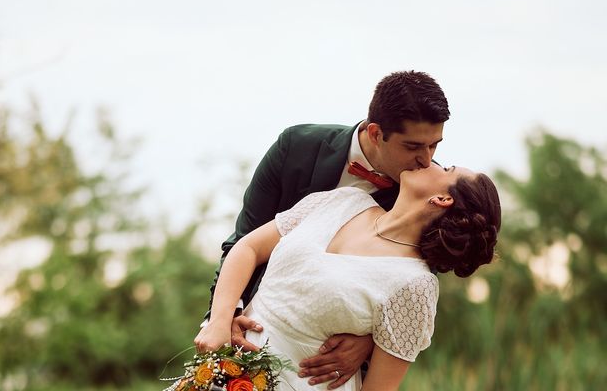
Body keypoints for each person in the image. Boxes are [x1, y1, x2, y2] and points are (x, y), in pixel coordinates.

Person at [204, 70, 450, 388]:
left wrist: (370, 341)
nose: (426, 160)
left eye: (435, 146)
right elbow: (243, 242)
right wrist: (223, 318)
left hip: (325, 372)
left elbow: (409, 296)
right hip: (249, 334)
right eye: (413, 146)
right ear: (376, 133)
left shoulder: (423, 197)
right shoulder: (296, 147)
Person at [195, 163, 501, 390]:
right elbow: (248, 247)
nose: (430, 161)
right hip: (221, 371)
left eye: (446, 168)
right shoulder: (344, 201)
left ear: (442, 199)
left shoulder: (415, 284)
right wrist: (220, 323)